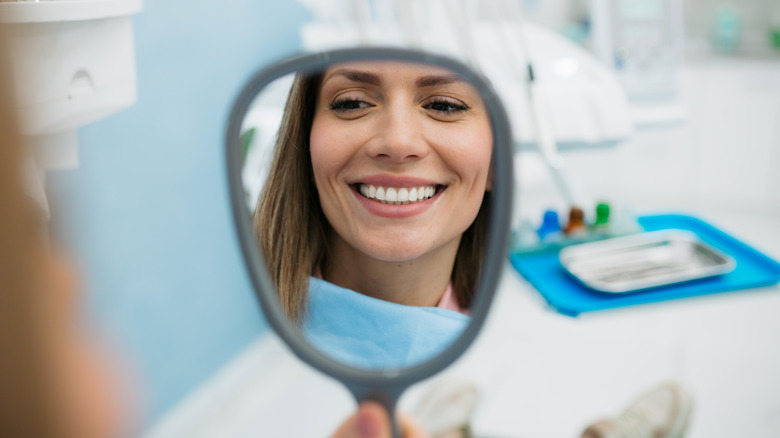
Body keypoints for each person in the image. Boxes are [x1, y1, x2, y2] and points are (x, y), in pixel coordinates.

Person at [253, 61, 493, 368]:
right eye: (352, 103)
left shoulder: (521, 359)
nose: (397, 143)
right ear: (306, 149)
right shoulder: (236, 341)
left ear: (495, 164)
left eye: (444, 106)